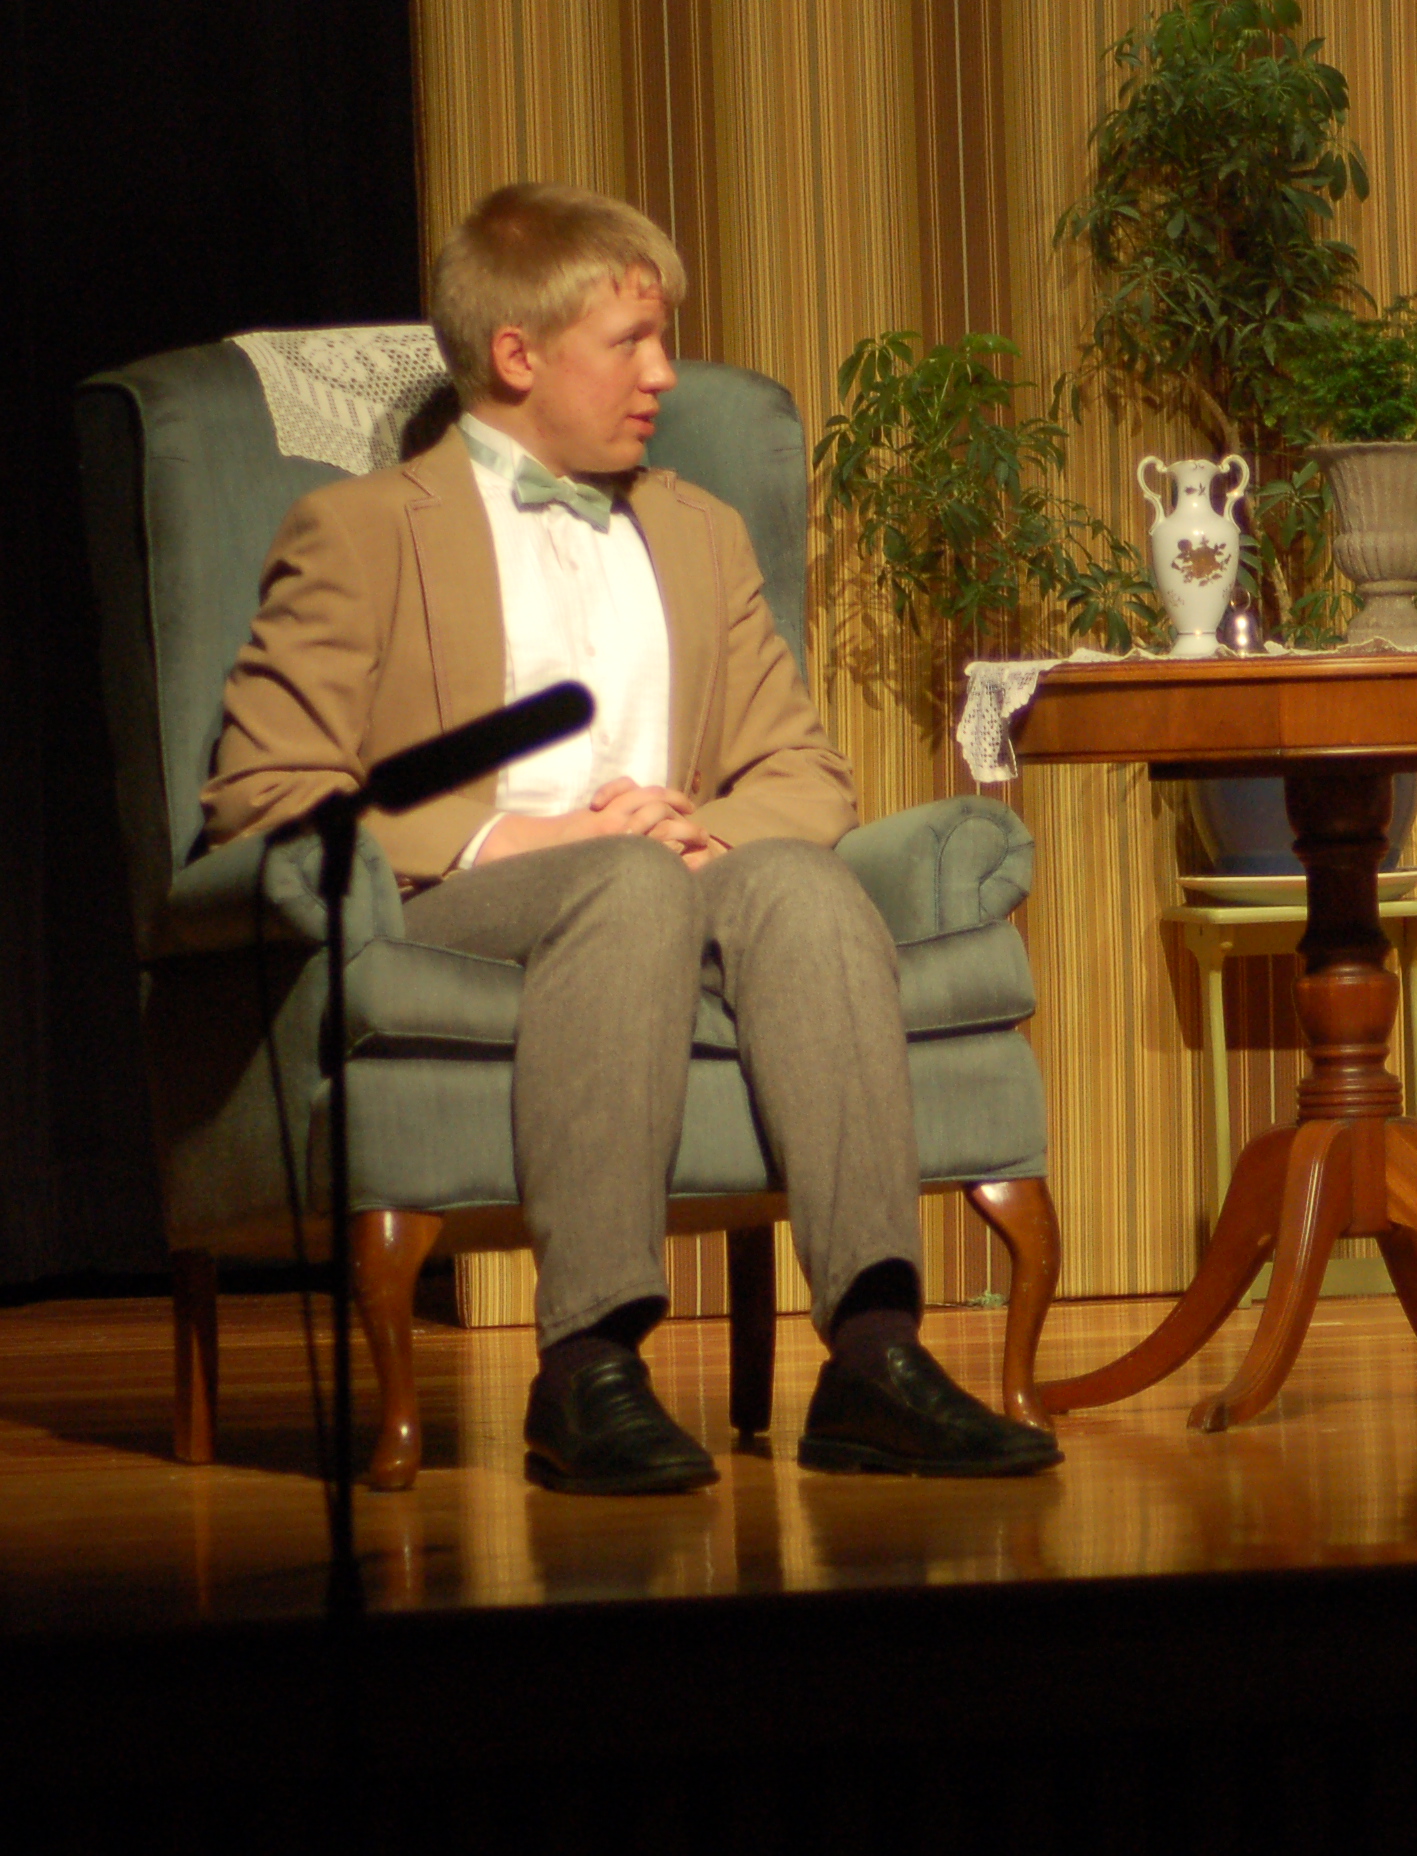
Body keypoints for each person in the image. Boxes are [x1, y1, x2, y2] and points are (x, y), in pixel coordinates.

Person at [204, 182, 1059, 1490]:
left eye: (665, 339)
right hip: (466, 897)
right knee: (621, 884)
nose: (664, 373)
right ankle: (586, 1367)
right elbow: (264, 790)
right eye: (632, 343)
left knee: (806, 886)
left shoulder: (698, 533)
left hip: (665, 869)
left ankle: (874, 1357)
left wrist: (695, 825)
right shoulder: (365, 533)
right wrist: (507, 835)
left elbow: (801, 771)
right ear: (516, 355)